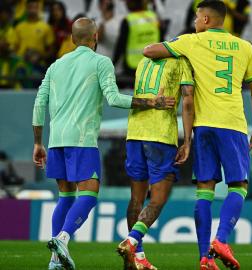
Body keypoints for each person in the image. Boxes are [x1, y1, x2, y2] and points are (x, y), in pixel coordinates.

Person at [31, 17, 175, 270]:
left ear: (73, 39)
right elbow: (113, 98)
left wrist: (37, 143)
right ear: (96, 37)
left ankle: (55, 260)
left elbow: (39, 104)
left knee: (65, 196)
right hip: (82, 140)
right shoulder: (100, 62)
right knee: (88, 194)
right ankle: (62, 239)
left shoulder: (56, 66)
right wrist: (152, 102)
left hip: (55, 141)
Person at [143, 1, 252, 269]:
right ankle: (221, 240)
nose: (195, 22)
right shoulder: (245, 47)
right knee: (238, 186)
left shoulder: (191, 41)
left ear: (207, 20)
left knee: (204, 191)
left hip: (203, 126)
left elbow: (149, 50)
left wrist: (176, 52)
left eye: (197, 17)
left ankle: (204, 258)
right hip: (232, 124)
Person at [116, 56, 195, 270]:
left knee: (136, 199)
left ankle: (136, 259)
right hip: (160, 136)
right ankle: (131, 241)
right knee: (158, 198)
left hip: (134, 133)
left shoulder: (144, 61)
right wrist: (187, 141)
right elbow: (187, 101)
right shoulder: (182, 63)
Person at [113, 0, 160, 76]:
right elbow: (161, 41)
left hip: (132, 68)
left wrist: (112, 65)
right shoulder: (154, 18)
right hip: (152, 66)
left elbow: (120, 46)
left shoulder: (128, 20)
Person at [14, 0, 54, 65]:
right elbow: (15, 47)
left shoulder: (46, 27)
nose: (32, 10)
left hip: (37, 66)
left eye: (35, 7)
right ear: (26, 9)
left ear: (38, 9)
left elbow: (51, 50)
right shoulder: (19, 26)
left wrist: (40, 57)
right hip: (19, 64)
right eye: (30, 7)